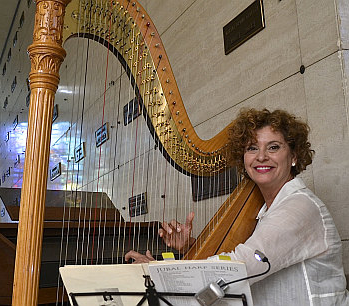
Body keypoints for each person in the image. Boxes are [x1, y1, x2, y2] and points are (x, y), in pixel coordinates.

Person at [125, 108, 349, 305]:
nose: (261, 156)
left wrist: (157, 271)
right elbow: (258, 253)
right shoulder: (268, 209)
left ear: (294, 156)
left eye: (273, 147)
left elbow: (239, 267)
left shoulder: (299, 208)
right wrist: (190, 246)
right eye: (252, 148)